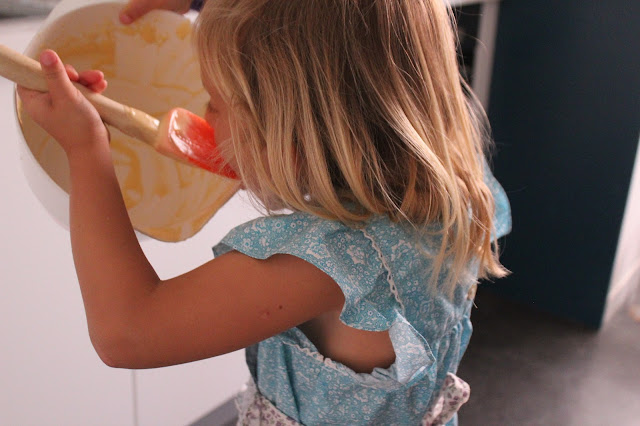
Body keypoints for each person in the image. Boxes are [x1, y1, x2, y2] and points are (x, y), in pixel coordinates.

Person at [18, 0, 512, 424]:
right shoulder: (454, 181)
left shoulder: (335, 262)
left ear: (292, 134)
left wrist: (87, 149)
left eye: (215, 103)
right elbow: (346, 31)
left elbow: (127, 333)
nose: (203, 115)